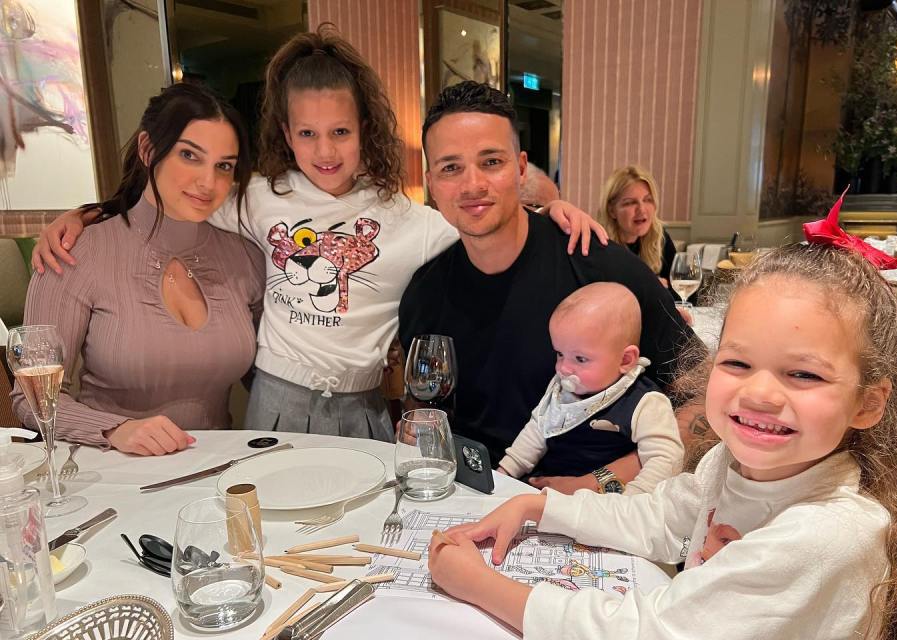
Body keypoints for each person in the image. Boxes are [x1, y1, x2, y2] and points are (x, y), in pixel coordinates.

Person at [428, 239, 897, 640]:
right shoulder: (729, 463)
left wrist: (480, 585)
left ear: (869, 402)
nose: (761, 394)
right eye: (739, 362)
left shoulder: (828, 535)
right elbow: (658, 517)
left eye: (804, 374)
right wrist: (540, 509)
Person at [31, 25, 602, 441]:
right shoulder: (256, 198)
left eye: (340, 132)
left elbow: (486, 222)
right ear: (286, 132)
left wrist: (551, 207)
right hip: (275, 404)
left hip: (365, 411)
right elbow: (176, 198)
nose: (324, 151)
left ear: (365, 130)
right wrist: (86, 216)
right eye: (307, 133)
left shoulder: (410, 221)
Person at [399, 81, 693, 471]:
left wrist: (603, 482)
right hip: (476, 501)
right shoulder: (424, 292)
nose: (473, 185)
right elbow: (421, 407)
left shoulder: (598, 264)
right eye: (451, 168)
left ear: (520, 169)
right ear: (431, 183)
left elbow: (700, 396)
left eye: (491, 162)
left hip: (597, 511)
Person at [12, 84, 264, 455]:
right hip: (111, 474)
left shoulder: (244, 258)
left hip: (215, 469)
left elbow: (267, 372)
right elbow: (29, 399)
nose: (208, 183)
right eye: (189, 156)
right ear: (148, 149)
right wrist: (114, 429)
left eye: (223, 166)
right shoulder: (73, 253)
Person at [498, 282, 683, 495]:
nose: (564, 368)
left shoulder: (645, 402)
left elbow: (666, 457)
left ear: (625, 360)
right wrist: (506, 471)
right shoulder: (562, 392)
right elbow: (537, 430)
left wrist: (634, 498)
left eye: (580, 358)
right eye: (559, 354)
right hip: (548, 492)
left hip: (606, 502)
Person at [597, 166, 677, 286]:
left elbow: (686, 296)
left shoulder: (660, 239)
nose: (642, 210)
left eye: (648, 200)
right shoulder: (599, 245)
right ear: (612, 211)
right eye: (630, 203)